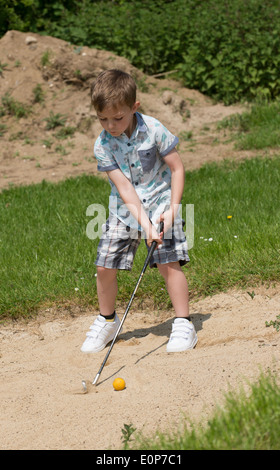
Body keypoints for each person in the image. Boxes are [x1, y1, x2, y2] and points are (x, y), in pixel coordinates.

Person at [81, 69, 197, 354]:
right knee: (104, 266)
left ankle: (184, 323)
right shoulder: (102, 145)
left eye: (118, 117)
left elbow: (177, 168)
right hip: (124, 211)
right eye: (103, 118)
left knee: (168, 264)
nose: (110, 124)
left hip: (161, 207)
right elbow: (125, 189)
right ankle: (108, 321)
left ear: (134, 107)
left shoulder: (155, 129)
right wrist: (145, 227)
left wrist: (172, 210)